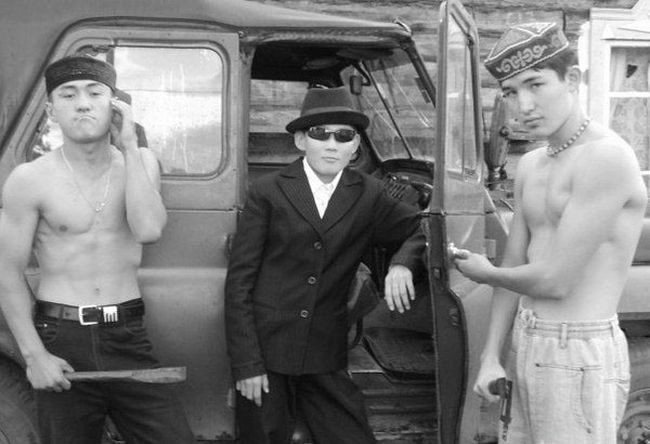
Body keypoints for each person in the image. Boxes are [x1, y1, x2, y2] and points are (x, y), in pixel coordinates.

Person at [454, 23, 647, 443]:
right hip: (526, 339)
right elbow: (515, 261)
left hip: (576, 351)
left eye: (536, 84)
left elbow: (557, 281)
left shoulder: (606, 157)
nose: (524, 105)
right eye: (510, 92)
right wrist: (491, 355)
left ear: (572, 79)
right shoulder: (531, 164)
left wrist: (484, 273)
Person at [0, 56, 195, 444]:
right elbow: (6, 270)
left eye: (95, 93)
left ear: (115, 105)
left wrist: (129, 144)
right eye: (68, 95)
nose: (83, 104)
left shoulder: (141, 163)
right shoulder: (29, 179)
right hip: (61, 335)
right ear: (51, 110)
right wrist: (35, 356)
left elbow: (148, 230)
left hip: (127, 333)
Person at [225, 86, 424, 444]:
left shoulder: (368, 192)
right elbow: (240, 282)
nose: (332, 145)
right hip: (268, 352)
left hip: (324, 352)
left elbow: (418, 228)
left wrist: (402, 264)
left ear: (355, 145)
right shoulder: (267, 191)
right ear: (301, 140)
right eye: (320, 134)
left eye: (344, 136)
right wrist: (247, 365)